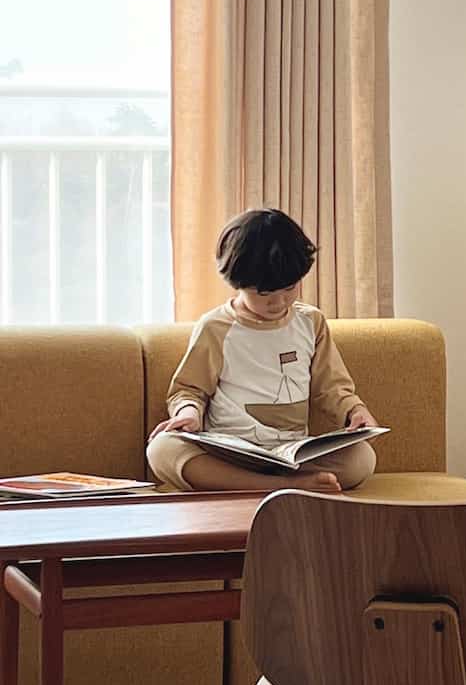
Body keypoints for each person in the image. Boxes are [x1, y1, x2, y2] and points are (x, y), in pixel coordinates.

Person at [146, 209, 378, 493]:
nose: (279, 302)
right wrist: (189, 413)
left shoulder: (311, 322)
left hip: (292, 453)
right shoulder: (216, 327)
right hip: (230, 453)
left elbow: (332, 387)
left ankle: (274, 483)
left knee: (362, 458)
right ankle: (280, 487)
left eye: (289, 288)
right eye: (264, 294)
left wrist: (355, 411)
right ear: (238, 283)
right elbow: (189, 389)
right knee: (162, 449)